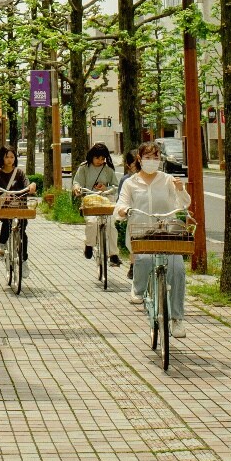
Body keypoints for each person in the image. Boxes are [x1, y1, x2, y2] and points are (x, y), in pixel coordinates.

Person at [115, 141, 191, 339]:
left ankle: (177, 319)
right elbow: (121, 205)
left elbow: (184, 204)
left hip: (167, 232)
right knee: (144, 260)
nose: (152, 161)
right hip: (141, 232)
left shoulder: (167, 180)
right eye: (148, 157)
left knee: (177, 270)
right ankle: (138, 289)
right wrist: (123, 210)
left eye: (156, 157)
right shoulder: (131, 183)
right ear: (139, 159)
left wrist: (181, 189)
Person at [0, 146, 37, 275]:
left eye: (12, 157)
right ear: (2, 158)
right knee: (6, 223)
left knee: (22, 232)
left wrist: (32, 185)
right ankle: (2, 243)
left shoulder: (19, 173)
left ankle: (24, 261)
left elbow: (27, 184)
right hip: (5, 208)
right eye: (7, 157)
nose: (10, 160)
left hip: (21, 207)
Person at [72, 142, 120, 266]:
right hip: (90, 200)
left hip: (105, 200)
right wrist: (77, 188)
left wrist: (105, 188)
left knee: (111, 225)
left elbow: (115, 185)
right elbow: (77, 182)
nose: (100, 161)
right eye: (97, 158)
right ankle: (89, 245)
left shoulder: (108, 169)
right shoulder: (84, 168)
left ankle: (114, 254)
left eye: (102, 158)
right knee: (92, 223)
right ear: (92, 156)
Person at [117, 150, 140, 278]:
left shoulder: (159, 178)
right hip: (134, 217)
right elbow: (120, 201)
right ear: (128, 166)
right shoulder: (126, 181)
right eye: (135, 164)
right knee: (134, 243)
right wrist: (124, 210)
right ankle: (132, 266)